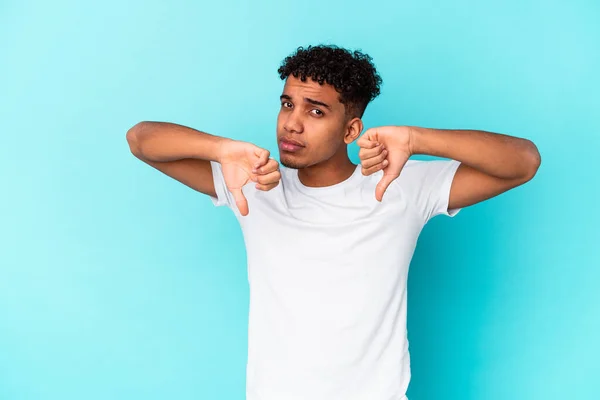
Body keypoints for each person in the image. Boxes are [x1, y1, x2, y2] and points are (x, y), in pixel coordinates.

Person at [126, 44, 541, 400]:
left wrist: (417, 140)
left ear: (351, 130)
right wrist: (220, 149)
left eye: (316, 111)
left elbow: (522, 163)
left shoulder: (400, 186)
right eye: (288, 103)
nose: (292, 121)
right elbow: (141, 139)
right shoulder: (251, 183)